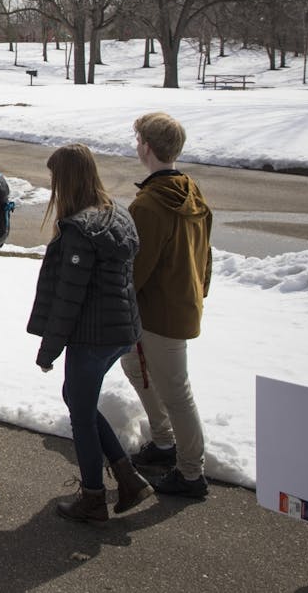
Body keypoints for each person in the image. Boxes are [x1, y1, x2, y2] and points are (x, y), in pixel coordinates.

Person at [27, 144, 152, 522]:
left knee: (80, 415)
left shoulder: (80, 231)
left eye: (55, 179)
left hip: (92, 335)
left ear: (65, 181)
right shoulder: (117, 215)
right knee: (76, 398)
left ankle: (94, 497)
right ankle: (127, 476)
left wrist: (48, 352)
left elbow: (69, 298)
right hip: (121, 330)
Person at [119, 112, 213, 498]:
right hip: (180, 302)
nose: (136, 144)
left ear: (147, 147)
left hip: (161, 311)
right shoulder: (189, 189)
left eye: (138, 138)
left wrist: (120, 302)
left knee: (176, 390)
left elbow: (137, 267)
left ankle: (191, 473)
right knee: (133, 365)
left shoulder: (150, 205)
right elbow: (206, 255)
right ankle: (163, 441)